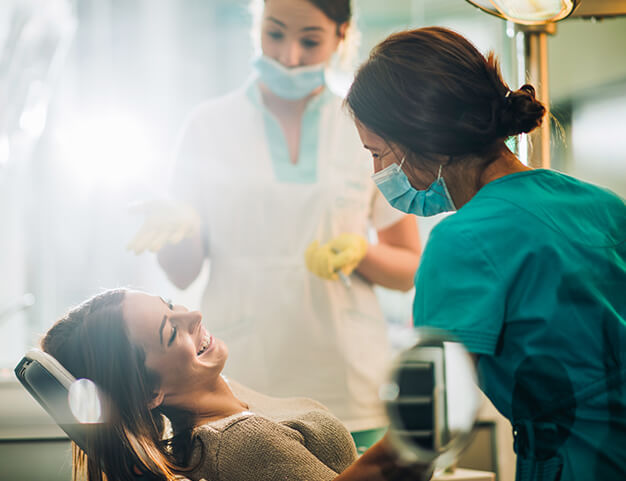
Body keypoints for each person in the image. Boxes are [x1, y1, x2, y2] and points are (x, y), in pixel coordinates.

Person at [128, 0, 421, 451]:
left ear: (342, 36)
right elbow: (183, 273)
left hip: (347, 383)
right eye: (275, 33)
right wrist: (181, 229)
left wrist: (363, 253)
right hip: (242, 383)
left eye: (310, 41)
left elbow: (408, 269)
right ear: (257, 25)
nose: (289, 56)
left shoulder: (364, 128)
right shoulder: (209, 126)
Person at [345, 26, 626, 481]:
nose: (377, 171)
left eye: (377, 153)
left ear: (423, 139)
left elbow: (416, 443)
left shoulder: (465, 241)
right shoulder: (602, 204)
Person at [41, 288, 431, 481]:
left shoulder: (221, 402)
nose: (193, 315)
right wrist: (419, 435)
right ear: (149, 393)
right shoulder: (240, 442)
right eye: (170, 332)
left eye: (171, 304)